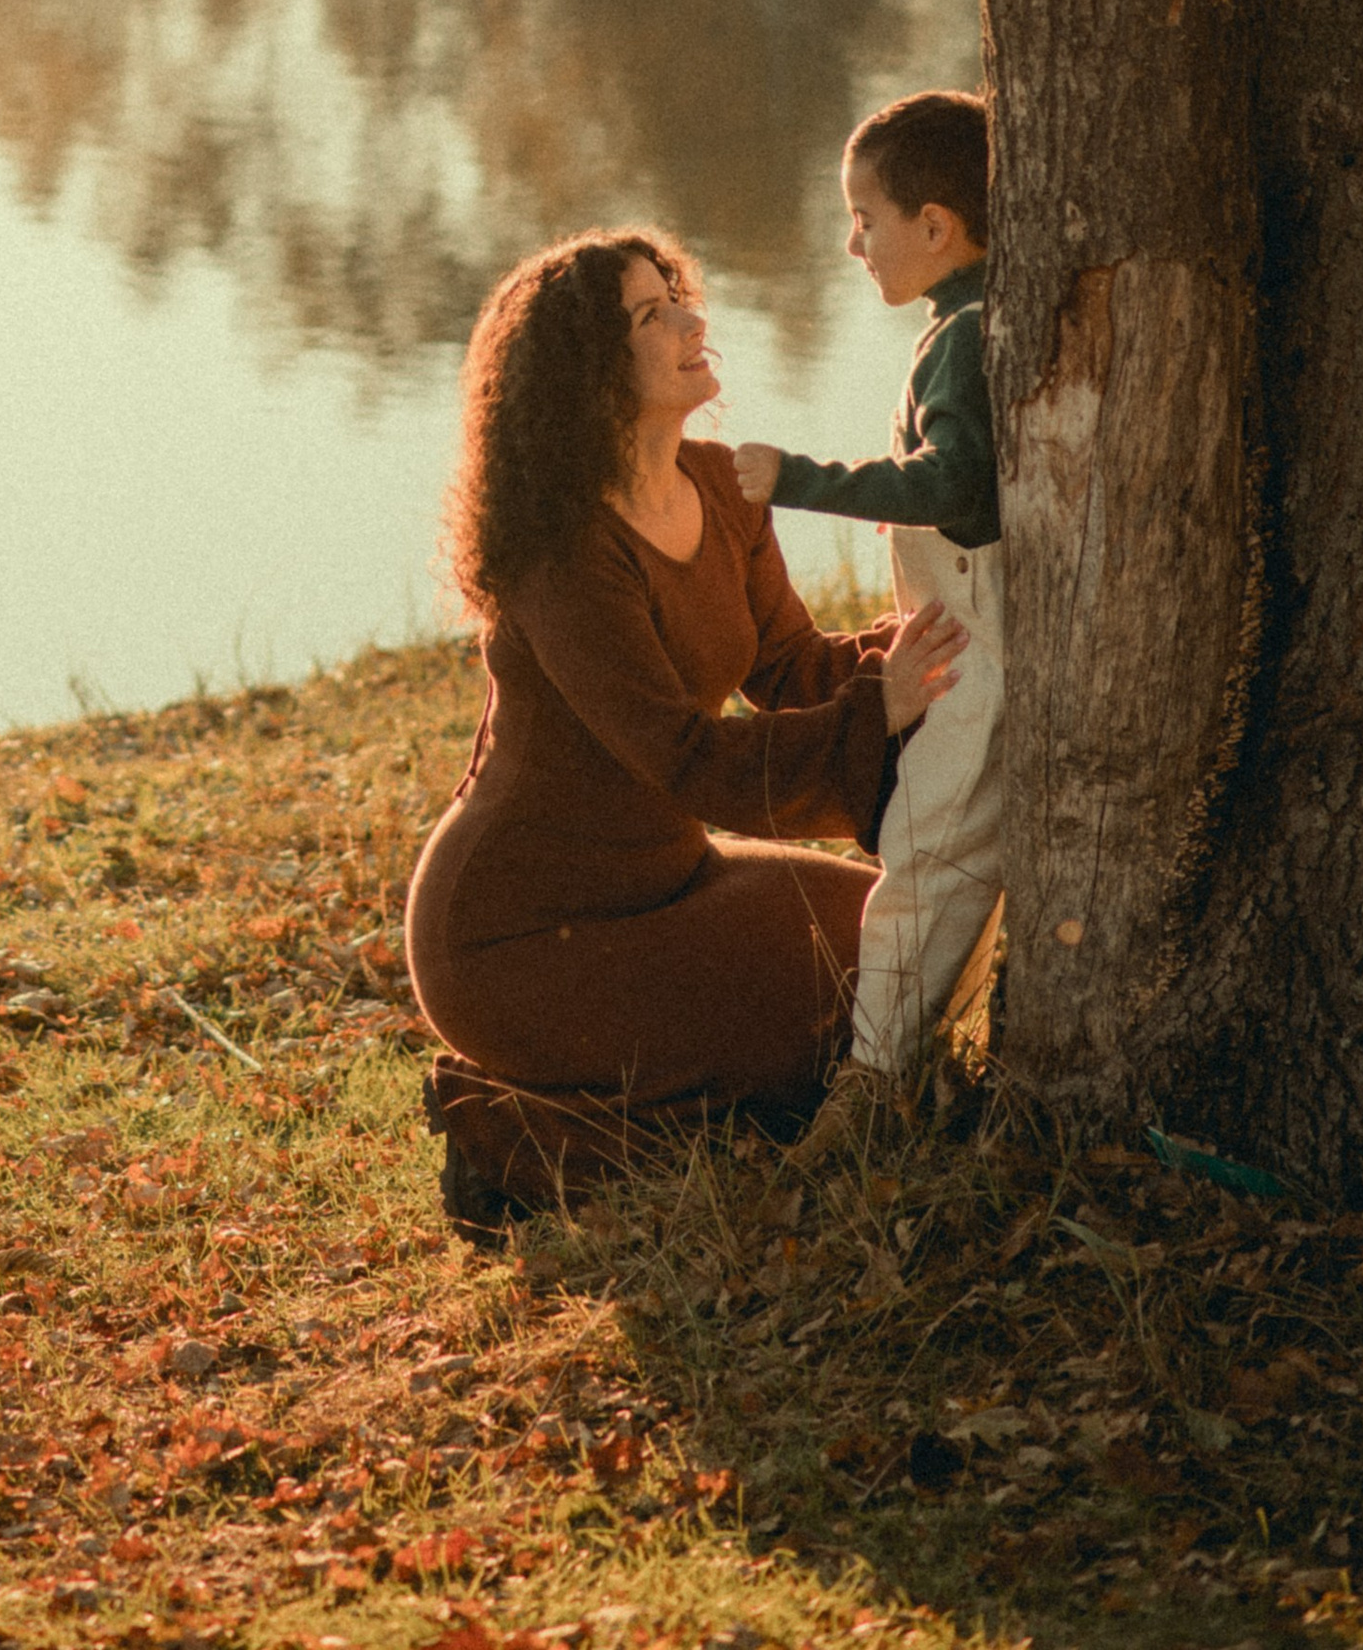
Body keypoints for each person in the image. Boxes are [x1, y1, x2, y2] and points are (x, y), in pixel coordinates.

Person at [405, 230, 965, 1227]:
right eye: (649, 315)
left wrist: (921, 645)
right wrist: (880, 704)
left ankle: (628, 1096)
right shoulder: (565, 551)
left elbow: (792, 669)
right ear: (587, 371)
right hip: (516, 933)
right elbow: (682, 758)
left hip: (669, 880)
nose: (692, 321)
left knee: (890, 954)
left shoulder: (715, 482)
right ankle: (502, 1140)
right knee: (819, 1032)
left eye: (678, 296)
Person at [735, 87, 999, 1151]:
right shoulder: (965, 322)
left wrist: (792, 476)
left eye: (864, 219)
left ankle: (869, 1092)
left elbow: (951, 481)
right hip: (965, 632)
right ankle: (911, 1060)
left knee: (924, 853)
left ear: (934, 226)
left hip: (981, 642)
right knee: (950, 846)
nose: (850, 244)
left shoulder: (965, 335)